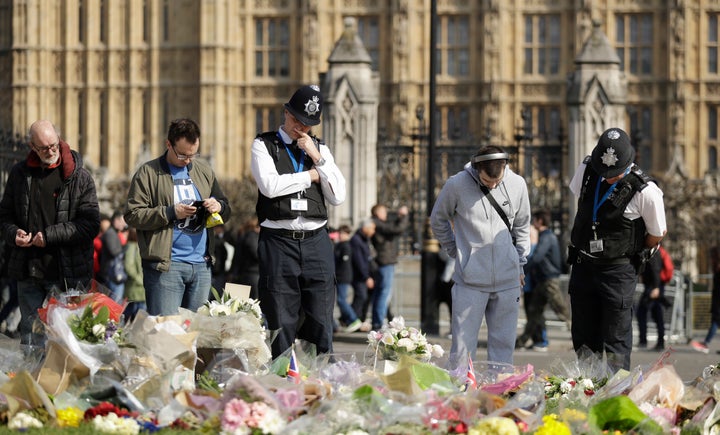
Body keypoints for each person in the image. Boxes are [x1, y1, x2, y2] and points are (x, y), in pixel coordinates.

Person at [251, 84, 346, 359]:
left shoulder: (320, 150)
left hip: (316, 240)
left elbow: (338, 194)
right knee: (280, 317)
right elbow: (270, 186)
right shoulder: (263, 145)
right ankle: (282, 381)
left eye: (307, 124)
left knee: (321, 317)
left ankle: (319, 381)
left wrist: (317, 158)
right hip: (279, 242)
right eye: (296, 120)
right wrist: (311, 176)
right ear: (286, 113)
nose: (300, 128)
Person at [567, 127, 666, 372]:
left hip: (617, 272)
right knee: (583, 339)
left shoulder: (647, 191)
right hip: (583, 266)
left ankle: (615, 395)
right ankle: (586, 391)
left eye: (615, 173)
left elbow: (657, 233)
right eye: (605, 171)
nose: (609, 177)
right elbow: (582, 200)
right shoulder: (588, 170)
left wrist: (630, 251)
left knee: (615, 341)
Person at [430, 145, 531, 369]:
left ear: (505, 167)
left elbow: (522, 226)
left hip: (507, 281)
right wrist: (455, 251)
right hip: (470, 282)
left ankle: (500, 394)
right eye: (487, 181)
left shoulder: (517, 184)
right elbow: (437, 219)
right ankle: (461, 394)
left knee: (503, 348)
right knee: (463, 348)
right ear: (477, 169)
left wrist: (520, 265)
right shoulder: (456, 184)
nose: (493, 185)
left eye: (497, 181)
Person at [0, 119, 100, 345]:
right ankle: (32, 380)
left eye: (54, 145)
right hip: (29, 271)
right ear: (32, 147)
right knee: (32, 338)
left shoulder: (79, 177)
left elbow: (91, 224)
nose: (51, 151)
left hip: (66, 273)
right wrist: (13, 233)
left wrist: (49, 236)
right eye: (44, 147)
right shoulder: (19, 174)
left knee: (66, 341)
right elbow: (4, 216)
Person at [125, 118, 232, 316]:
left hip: (201, 266)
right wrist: (170, 212)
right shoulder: (148, 173)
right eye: (183, 155)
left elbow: (226, 209)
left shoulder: (204, 171)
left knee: (197, 336)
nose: (188, 160)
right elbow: (132, 214)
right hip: (166, 267)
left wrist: (218, 206)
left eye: (194, 154)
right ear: (168, 145)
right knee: (167, 336)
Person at [518, 209, 570, 352]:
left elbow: (537, 257)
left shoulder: (547, 237)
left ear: (540, 221)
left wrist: (523, 271)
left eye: (534, 219)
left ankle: (581, 337)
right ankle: (524, 341)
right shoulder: (546, 236)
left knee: (561, 310)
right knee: (534, 311)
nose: (532, 222)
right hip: (543, 280)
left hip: (549, 280)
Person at [370, 204, 410, 330]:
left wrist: (399, 218)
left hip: (384, 261)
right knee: (383, 293)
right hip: (385, 261)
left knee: (381, 292)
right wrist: (404, 216)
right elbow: (395, 230)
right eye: (383, 211)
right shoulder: (377, 222)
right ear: (377, 212)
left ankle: (379, 321)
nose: (386, 214)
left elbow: (392, 229)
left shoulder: (378, 223)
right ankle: (378, 322)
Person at [691, 246, 720, 354]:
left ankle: (706, 343)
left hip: (718, 301)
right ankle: (705, 342)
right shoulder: (716, 269)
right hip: (717, 300)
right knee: (716, 321)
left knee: (715, 321)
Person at [349, 219, 377, 333]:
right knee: (361, 296)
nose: (373, 232)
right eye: (372, 229)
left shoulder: (364, 239)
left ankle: (359, 320)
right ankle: (353, 320)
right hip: (359, 275)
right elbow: (359, 260)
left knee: (363, 297)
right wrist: (366, 277)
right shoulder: (356, 240)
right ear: (365, 228)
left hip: (365, 274)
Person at [636, 246, 666, 351]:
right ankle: (659, 343)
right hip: (653, 286)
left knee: (642, 312)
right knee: (656, 314)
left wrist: (656, 287)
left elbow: (655, 269)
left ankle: (644, 341)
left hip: (653, 287)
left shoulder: (653, 251)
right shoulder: (652, 250)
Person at [334, 224, 362, 332]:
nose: (340, 235)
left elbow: (343, 265)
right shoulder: (340, 245)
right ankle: (347, 320)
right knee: (341, 300)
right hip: (341, 276)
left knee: (341, 300)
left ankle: (353, 319)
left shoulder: (346, 246)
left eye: (342, 233)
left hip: (343, 277)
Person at [98, 210, 128, 302]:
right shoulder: (110, 233)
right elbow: (114, 252)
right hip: (112, 275)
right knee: (114, 305)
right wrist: (126, 248)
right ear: (115, 220)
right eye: (122, 221)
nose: (124, 225)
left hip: (113, 274)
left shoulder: (113, 233)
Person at [230, 216, 260, 299]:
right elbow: (256, 253)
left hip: (245, 273)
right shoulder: (252, 236)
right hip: (253, 273)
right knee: (254, 302)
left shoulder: (243, 236)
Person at [122, 227, 146, 322]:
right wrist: (139, 279)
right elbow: (128, 266)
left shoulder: (136, 246)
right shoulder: (132, 246)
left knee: (134, 315)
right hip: (135, 287)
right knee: (135, 316)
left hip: (138, 288)